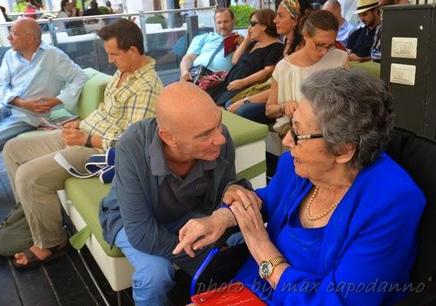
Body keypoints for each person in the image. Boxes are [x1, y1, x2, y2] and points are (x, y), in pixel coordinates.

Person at [177, 68, 426, 305]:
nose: (286, 141)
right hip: (251, 288)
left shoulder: (392, 204)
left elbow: (335, 301)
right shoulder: (298, 167)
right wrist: (222, 218)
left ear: (343, 149)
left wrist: (263, 252)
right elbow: (269, 199)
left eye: (297, 132)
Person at [2, 19, 163, 268]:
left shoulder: (147, 88)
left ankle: (51, 242)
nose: (110, 60)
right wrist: (80, 122)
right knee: (12, 150)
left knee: (29, 176)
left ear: (132, 50)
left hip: (96, 151)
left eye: (113, 55)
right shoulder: (124, 72)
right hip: (83, 133)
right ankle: (31, 217)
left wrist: (87, 139)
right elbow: (105, 110)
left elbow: (132, 145)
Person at [99, 81, 260, 305]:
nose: (220, 138)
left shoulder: (221, 140)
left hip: (187, 213)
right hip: (131, 220)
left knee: (245, 239)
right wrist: (208, 261)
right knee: (155, 274)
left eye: (218, 124)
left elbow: (225, 184)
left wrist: (231, 188)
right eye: (205, 135)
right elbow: (141, 233)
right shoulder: (132, 146)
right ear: (168, 138)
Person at [0, 18, 87, 183]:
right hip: (0, 106)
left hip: (25, 116)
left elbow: (80, 77)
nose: (9, 38)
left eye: (13, 33)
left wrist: (57, 101)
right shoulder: (9, 55)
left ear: (30, 38)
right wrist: (20, 102)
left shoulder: (53, 56)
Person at [226, 0, 312, 123]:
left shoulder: (299, 48)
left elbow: (282, 88)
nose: (275, 20)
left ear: (295, 21)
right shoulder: (287, 42)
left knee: (242, 110)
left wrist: (246, 99)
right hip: (274, 96)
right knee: (231, 102)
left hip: (289, 102)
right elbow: (235, 61)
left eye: (280, 16)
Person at [266, 10, 348, 136]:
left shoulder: (339, 58)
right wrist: (283, 107)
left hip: (334, 130)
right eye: (319, 45)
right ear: (306, 35)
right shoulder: (284, 68)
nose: (324, 52)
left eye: (330, 46)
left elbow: (350, 98)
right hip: (300, 134)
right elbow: (269, 110)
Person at [208, 9, 284, 107]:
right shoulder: (254, 43)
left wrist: (243, 82)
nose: (249, 28)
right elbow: (235, 60)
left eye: (252, 24)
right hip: (230, 83)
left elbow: (268, 71)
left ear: (264, 26)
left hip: (245, 87)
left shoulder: (276, 46)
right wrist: (247, 39)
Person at [180, 8, 237, 82]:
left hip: (217, 80)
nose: (222, 26)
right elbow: (189, 57)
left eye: (226, 22)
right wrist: (184, 71)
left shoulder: (239, 41)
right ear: (215, 24)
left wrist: (242, 43)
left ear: (233, 22)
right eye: (219, 22)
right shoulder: (203, 38)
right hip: (195, 74)